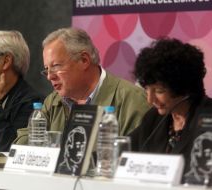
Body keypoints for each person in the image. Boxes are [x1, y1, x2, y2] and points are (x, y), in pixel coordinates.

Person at [14, 27, 149, 144]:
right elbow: (23, 142)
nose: (50, 76)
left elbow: (137, 156)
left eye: (55, 66)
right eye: (47, 69)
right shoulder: (53, 101)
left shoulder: (132, 99)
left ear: (84, 60)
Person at [129, 37, 212, 180]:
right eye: (147, 90)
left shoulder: (208, 117)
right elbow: (122, 149)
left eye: (159, 91)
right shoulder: (153, 118)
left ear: (184, 87)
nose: (150, 100)